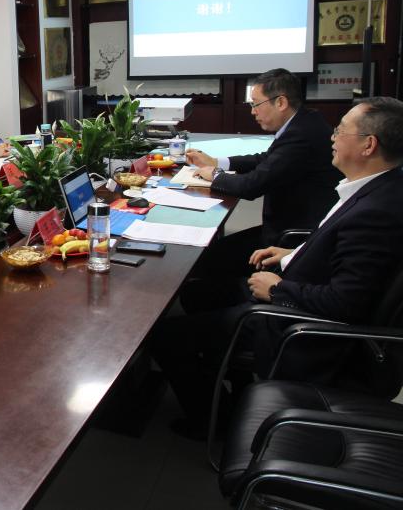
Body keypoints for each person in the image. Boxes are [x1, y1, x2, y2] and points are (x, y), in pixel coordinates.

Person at [152, 97, 403, 438]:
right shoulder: (377, 188)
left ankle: (215, 425)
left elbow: (346, 302)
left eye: (341, 130)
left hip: (300, 328)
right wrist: (292, 252)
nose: (331, 137)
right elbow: (340, 250)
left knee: (165, 336)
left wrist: (276, 289)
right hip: (299, 287)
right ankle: (233, 382)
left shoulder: (376, 213)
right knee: (198, 293)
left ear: (368, 145)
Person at [184, 68, 341, 290]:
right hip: (289, 228)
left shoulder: (301, 135)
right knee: (209, 254)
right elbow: (266, 159)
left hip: (290, 239)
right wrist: (218, 162)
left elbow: (252, 186)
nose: (252, 111)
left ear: (281, 102)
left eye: (256, 104)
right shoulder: (304, 122)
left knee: (202, 262)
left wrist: (216, 175)